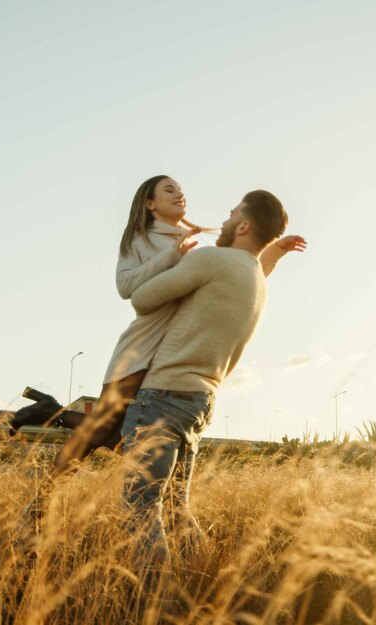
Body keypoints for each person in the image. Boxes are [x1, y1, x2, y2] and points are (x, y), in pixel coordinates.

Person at [38, 176, 304, 477]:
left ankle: (53, 418)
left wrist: (274, 251)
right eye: (169, 189)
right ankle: (42, 496)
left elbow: (230, 281)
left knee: (127, 437)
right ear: (149, 203)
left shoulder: (197, 243)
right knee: (101, 431)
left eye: (180, 189)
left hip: (173, 349)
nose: (180, 194)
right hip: (144, 342)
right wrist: (171, 255)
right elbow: (126, 288)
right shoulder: (140, 238)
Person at [119, 189, 287, 574]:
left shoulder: (213, 259)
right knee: (178, 509)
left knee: (141, 511)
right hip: (200, 401)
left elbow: (141, 298)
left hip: (163, 397)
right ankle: (200, 585)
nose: (224, 221)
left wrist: (173, 254)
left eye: (231, 215)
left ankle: (156, 604)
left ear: (244, 225)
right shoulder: (256, 279)